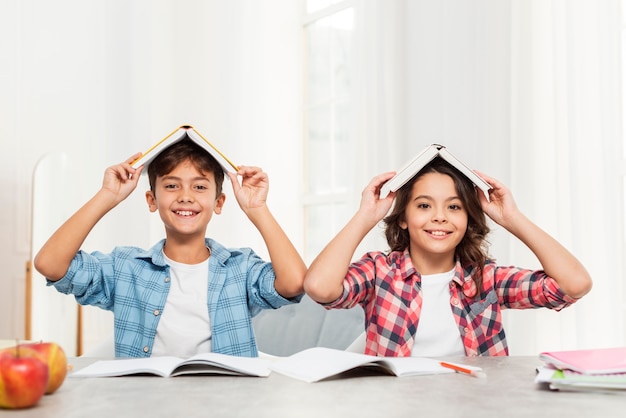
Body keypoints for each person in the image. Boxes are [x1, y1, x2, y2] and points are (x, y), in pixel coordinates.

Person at [34, 140, 306, 358]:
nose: (185, 196)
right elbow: (50, 264)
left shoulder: (240, 268)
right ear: (152, 200)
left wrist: (257, 209)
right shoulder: (126, 268)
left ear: (219, 202)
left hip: (225, 403)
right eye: (172, 185)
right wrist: (108, 196)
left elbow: (293, 283)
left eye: (199, 186)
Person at [303, 157, 592, 357]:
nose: (440, 217)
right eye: (425, 205)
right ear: (403, 217)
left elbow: (574, 284)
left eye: (454, 207)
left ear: (468, 218)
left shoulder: (486, 279)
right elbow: (320, 288)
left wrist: (512, 218)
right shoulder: (380, 272)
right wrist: (365, 216)